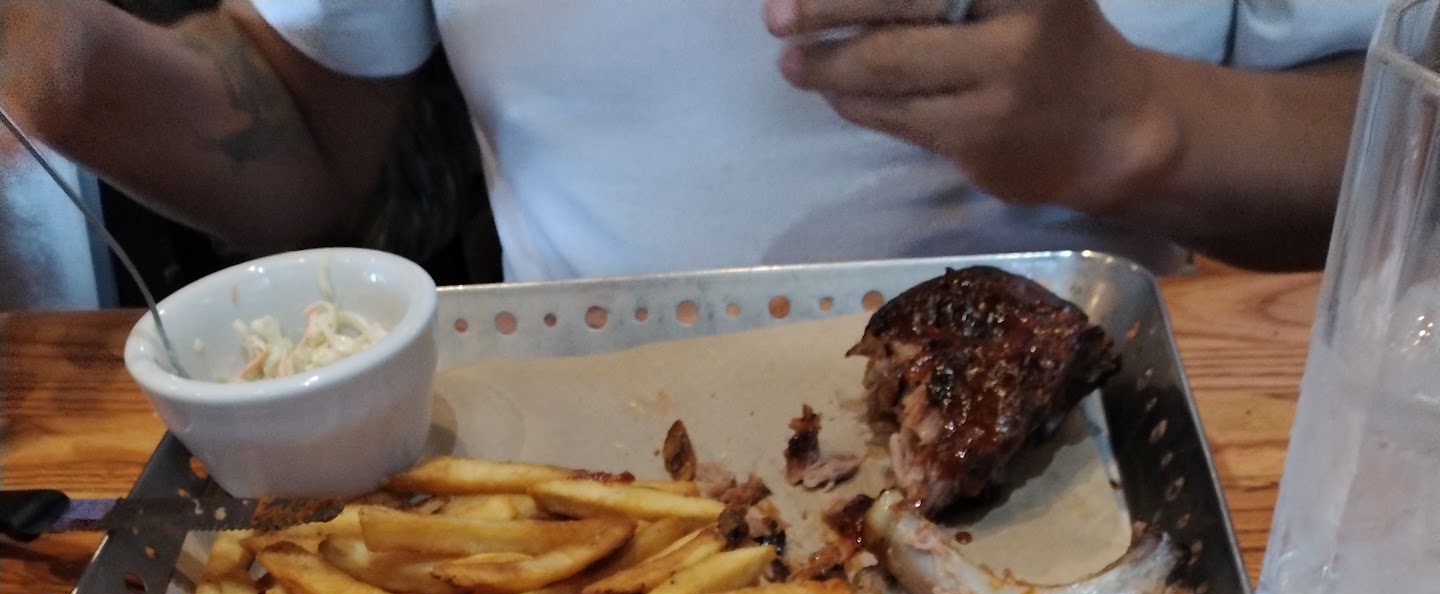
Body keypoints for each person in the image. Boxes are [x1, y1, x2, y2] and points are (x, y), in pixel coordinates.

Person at [1, 0, 1383, 296]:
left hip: (1115, 459)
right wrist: (70, 72)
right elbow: (306, 137)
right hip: (589, 514)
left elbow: (1382, 159)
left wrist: (1131, 124)